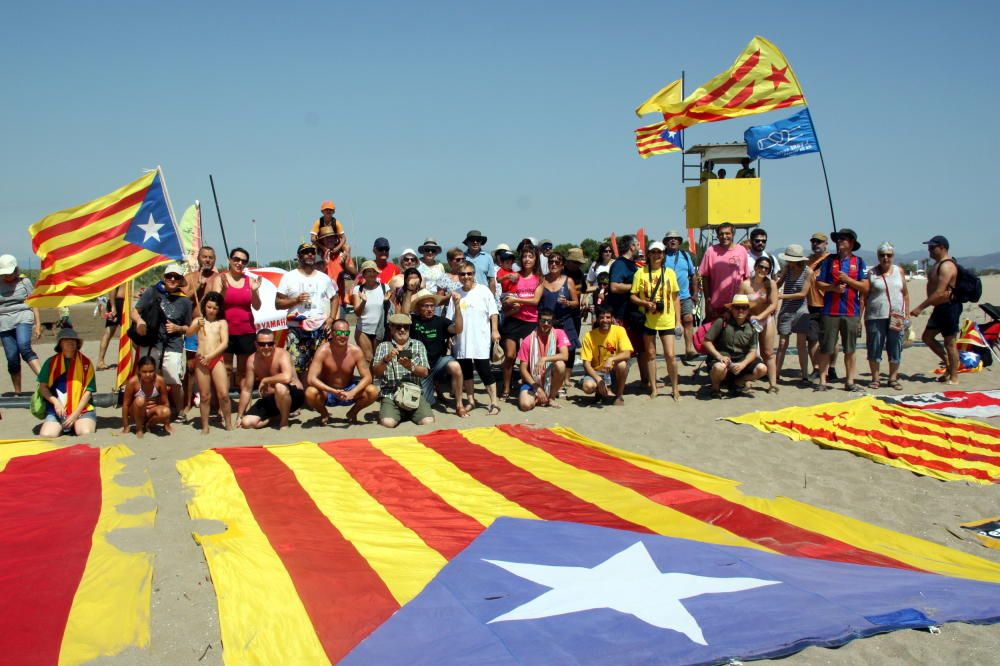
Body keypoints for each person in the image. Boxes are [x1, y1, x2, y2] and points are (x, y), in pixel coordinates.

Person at [131, 263, 194, 418]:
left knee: (173, 379)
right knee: (147, 377)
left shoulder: (185, 301)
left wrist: (178, 328)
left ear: (180, 280)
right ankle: (144, 409)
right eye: (169, 276)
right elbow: (134, 312)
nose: (172, 279)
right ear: (164, 277)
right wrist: (139, 321)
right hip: (151, 342)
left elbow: (189, 328)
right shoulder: (152, 292)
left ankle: (179, 411)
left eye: (176, 277)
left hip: (174, 344)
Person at [275, 242, 340, 381]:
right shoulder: (288, 277)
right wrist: (295, 300)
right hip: (296, 329)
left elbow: (335, 298)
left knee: (320, 365)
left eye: (312, 252)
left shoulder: (324, 278)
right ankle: (301, 395)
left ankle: (315, 396)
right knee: (297, 366)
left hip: (320, 329)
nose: (310, 254)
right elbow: (278, 303)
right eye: (306, 252)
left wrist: (331, 319)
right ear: (299, 257)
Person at [815, 228, 869, 392]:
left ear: (851, 243)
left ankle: (850, 381)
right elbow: (818, 283)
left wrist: (848, 280)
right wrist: (833, 287)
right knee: (826, 348)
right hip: (830, 311)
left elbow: (865, 286)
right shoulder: (829, 261)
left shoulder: (859, 262)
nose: (839, 242)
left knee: (850, 349)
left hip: (851, 311)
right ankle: (822, 381)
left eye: (843, 239)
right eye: (838, 239)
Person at [446, 260, 502, 415]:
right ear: (458, 276)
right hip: (462, 340)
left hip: (480, 339)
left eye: (469, 273)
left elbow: (493, 313)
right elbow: (450, 319)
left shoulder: (484, 291)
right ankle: (471, 400)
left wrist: (495, 330)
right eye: (462, 274)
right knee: (466, 371)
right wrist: (450, 336)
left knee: (485, 370)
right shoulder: (456, 294)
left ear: (474, 274)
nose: (466, 277)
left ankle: (494, 402)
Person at [630, 241, 681, 401]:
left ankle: (675, 388)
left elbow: (675, 298)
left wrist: (678, 321)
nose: (656, 255)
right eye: (653, 252)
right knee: (650, 355)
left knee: (670, 355)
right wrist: (645, 303)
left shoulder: (670, 273)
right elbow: (633, 295)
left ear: (664, 254)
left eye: (659, 252)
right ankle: (653, 388)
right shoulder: (640, 273)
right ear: (649, 255)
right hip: (648, 319)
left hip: (666, 319)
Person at [305, 318, 379, 424]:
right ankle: (324, 413)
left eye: (346, 333)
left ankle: (353, 412)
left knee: (373, 391)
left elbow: (367, 377)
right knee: (310, 392)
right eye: (339, 332)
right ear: (332, 333)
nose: (343, 336)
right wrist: (332, 391)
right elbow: (311, 378)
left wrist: (352, 392)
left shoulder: (356, 351)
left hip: (349, 389)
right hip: (328, 391)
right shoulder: (323, 350)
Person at [207, 247, 262, 386]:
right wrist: (224, 291)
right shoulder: (220, 279)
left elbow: (257, 306)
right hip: (225, 331)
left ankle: (242, 403)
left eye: (243, 261)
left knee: (243, 371)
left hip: (246, 331)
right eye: (236, 259)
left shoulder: (250, 281)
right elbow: (214, 305)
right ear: (229, 260)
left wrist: (255, 291)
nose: (239, 263)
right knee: (226, 369)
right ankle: (225, 403)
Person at [910, 235, 960, 384]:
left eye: (932, 247)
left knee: (950, 342)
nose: (929, 250)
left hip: (949, 307)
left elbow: (939, 292)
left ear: (942, 248)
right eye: (929, 247)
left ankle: (954, 376)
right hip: (939, 308)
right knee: (927, 337)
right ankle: (948, 364)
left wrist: (920, 307)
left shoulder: (947, 266)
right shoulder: (938, 265)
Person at [410, 289, 467, 416]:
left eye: (432, 306)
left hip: (438, 363)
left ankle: (459, 405)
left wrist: (457, 306)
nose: (430, 309)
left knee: (455, 366)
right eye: (425, 306)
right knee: (427, 403)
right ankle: (435, 388)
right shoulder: (412, 321)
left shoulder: (440, 321)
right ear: (418, 308)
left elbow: (458, 329)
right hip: (421, 367)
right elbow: (402, 313)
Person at [372, 313, 434, 428]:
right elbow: (376, 373)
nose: (402, 330)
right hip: (390, 393)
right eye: (398, 326)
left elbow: (425, 372)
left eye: (406, 327)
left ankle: (406, 413)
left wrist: (411, 366)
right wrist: (385, 360)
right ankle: (399, 412)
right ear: (391, 328)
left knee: (428, 421)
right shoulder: (383, 346)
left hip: (413, 392)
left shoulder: (418, 345)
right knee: (388, 423)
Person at [499, 244, 543, 398]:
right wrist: (510, 304)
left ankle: (529, 384)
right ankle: (505, 387)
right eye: (524, 256)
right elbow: (505, 301)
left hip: (531, 321)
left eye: (530, 256)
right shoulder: (515, 276)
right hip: (513, 319)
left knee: (530, 357)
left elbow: (536, 300)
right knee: (510, 355)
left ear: (536, 259)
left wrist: (517, 299)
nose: (527, 259)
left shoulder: (539, 279)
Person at [702, 295, 767, 398]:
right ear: (731, 308)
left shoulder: (752, 326)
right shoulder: (722, 321)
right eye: (737, 307)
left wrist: (743, 364)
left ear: (748, 309)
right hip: (723, 357)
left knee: (762, 369)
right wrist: (719, 356)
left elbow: (753, 351)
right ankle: (715, 388)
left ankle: (738, 382)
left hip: (741, 359)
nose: (740, 310)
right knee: (719, 367)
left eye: (744, 307)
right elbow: (706, 341)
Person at [238, 328, 304, 430]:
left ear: (275, 344)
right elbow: (247, 390)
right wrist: (239, 416)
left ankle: (284, 422)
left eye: (270, 344)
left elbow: (287, 378)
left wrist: (265, 380)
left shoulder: (282, 354)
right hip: (270, 400)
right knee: (246, 423)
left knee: (280, 386)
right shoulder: (252, 360)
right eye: (262, 344)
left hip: (293, 397)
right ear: (256, 345)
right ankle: (275, 418)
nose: (266, 347)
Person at [36, 328, 97, 437]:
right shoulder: (50, 363)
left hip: (82, 409)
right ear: (60, 344)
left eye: (74, 340)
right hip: (58, 410)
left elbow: (88, 391)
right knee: (47, 435)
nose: (71, 342)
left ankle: (78, 423)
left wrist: (75, 414)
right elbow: (43, 387)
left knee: (84, 432)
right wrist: (56, 403)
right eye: (66, 339)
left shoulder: (86, 363)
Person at [186, 292, 232, 433]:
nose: (211, 310)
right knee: (205, 396)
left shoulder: (222, 323)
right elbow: (188, 333)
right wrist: (195, 325)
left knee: (223, 394)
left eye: (214, 308)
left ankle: (228, 423)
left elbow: (224, 343)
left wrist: (211, 356)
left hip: (216, 359)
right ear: (204, 306)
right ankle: (205, 426)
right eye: (209, 307)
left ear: (219, 309)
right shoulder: (199, 321)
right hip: (201, 361)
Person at [865, 242, 909, 390]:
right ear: (878, 256)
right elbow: (864, 295)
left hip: (896, 315)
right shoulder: (872, 273)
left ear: (893, 256)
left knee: (895, 346)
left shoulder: (899, 271)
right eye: (882, 255)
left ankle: (893, 378)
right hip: (875, 316)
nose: (885, 258)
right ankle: (875, 378)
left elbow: (905, 294)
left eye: (888, 255)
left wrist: (907, 315)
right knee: (875, 346)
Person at [181, 246, 219, 414]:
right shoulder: (189, 277)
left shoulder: (218, 278)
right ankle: (187, 402)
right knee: (190, 367)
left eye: (211, 257)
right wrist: (197, 287)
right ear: (198, 258)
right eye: (204, 257)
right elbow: (182, 302)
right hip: (194, 327)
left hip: (212, 328)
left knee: (214, 365)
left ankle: (214, 402)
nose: (207, 260)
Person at [608, 234, 648, 389]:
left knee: (642, 349)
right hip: (621, 315)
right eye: (638, 244)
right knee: (622, 352)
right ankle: (617, 385)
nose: (640, 247)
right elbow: (614, 287)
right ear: (632, 247)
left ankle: (645, 381)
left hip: (634, 315)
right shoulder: (620, 264)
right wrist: (636, 288)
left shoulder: (632, 264)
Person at [738, 255, 780, 393]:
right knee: (750, 352)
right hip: (749, 322)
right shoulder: (745, 284)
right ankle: (747, 382)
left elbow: (773, 305)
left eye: (766, 268)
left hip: (766, 320)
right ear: (755, 267)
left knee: (768, 352)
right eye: (761, 266)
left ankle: (772, 384)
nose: (763, 270)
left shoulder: (771, 284)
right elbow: (739, 304)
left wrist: (760, 316)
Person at [0, 254, 42, 392]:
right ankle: (18, 392)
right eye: (4, 274)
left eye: (9, 273)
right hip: (4, 321)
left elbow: (34, 302)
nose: (6, 277)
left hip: (23, 317)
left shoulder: (25, 282)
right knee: (12, 357)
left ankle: (45, 381)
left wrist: (38, 324)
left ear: (15, 270)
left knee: (24, 347)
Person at [775, 244, 814, 385]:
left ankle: (804, 375)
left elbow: (803, 293)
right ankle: (776, 374)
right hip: (786, 310)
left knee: (801, 344)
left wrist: (782, 297)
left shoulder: (808, 272)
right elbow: (779, 284)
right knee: (782, 343)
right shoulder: (788, 269)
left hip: (800, 310)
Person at [516, 309, 570, 411]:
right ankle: (539, 396)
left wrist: (544, 359)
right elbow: (523, 369)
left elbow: (565, 355)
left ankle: (551, 397)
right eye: (543, 321)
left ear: (552, 322)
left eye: (549, 321)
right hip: (532, 381)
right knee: (525, 406)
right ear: (538, 321)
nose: (546, 324)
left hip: (550, 377)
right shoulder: (528, 340)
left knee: (561, 365)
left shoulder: (559, 333)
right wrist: (537, 387)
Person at [579, 305, 632, 405]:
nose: (605, 320)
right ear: (597, 319)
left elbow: (627, 353)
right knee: (588, 386)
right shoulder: (589, 336)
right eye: (602, 317)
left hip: (613, 371)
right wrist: (598, 379)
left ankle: (619, 395)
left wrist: (611, 359)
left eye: (608, 317)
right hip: (596, 371)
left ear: (612, 319)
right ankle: (600, 391)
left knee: (622, 364)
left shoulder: (619, 330)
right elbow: (586, 364)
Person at [539, 251, 581, 378]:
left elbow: (576, 303)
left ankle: (565, 379)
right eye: (551, 261)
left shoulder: (568, 281)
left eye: (557, 262)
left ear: (562, 265)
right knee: (548, 350)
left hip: (565, 321)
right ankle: (548, 378)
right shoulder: (542, 280)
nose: (554, 264)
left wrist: (568, 302)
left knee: (569, 350)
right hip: (547, 323)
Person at [698, 223, 750, 320]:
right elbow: (705, 278)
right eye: (721, 234)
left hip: (737, 304)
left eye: (727, 233)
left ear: (733, 234)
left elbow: (746, 278)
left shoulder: (742, 251)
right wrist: (708, 302)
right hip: (716, 305)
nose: (724, 236)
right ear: (717, 236)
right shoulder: (711, 251)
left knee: (734, 334)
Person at [662, 230, 699, 360]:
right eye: (670, 239)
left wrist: (695, 293)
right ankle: (669, 352)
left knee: (688, 319)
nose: (673, 240)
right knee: (668, 325)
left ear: (679, 241)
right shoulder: (661, 256)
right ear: (666, 242)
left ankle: (689, 349)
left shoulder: (685, 255)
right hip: (667, 298)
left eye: (675, 238)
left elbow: (693, 275)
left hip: (684, 295)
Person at [806, 233, 836, 380]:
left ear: (826, 244)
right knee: (812, 339)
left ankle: (832, 368)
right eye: (813, 242)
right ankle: (816, 368)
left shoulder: (832, 260)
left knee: (831, 340)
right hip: (811, 305)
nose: (816, 244)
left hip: (828, 304)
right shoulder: (808, 261)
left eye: (819, 242)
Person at [120, 355, 171, 437]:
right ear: (139, 371)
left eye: (151, 371)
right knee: (140, 400)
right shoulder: (133, 382)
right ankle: (139, 429)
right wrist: (126, 426)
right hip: (136, 412)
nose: (148, 374)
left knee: (166, 411)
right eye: (144, 372)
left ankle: (148, 424)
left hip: (152, 412)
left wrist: (167, 424)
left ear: (155, 370)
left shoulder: (160, 381)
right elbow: (125, 405)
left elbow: (165, 402)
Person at [351, 260, 390, 362]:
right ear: (363, 274)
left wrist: (386, 301)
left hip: (380, 329)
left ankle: (375, 378)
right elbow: (357, 313)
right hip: (363, 330)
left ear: (377, 273)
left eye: (373, 271)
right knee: (368, 358)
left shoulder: (385, 288)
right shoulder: (358, 289)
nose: (371, 274)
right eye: (368, 271)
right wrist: (363, 301)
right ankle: (369, 378)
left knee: (378, 359)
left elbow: (390, 310)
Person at [316, 223, 355, 298]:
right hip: (322, 300)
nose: (330, 240)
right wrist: (324, 264)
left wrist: (345, 266)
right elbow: (313, 277)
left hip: (341, 302)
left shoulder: (343, 255)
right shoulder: (317, 256)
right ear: (322, 241)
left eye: (332, 237)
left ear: (336, 239)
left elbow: (357, 277)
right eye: (326, 238)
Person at [96, 283, 125, 370]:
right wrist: (113, 306)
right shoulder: (119, 271)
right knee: (129, 331)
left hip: (121, 303)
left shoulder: (126, 271)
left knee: (109, 333)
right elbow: (113, 287)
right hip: (117, 303)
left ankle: (100, 361)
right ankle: (100, 361)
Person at [462, 229, 497, 294]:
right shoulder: (461, 257)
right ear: (467, 242)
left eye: (478, 240)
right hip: (465, 294)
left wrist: (491, 298)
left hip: (483, 294)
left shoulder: (488, 257)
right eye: (472, 240)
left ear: (481, 242)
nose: (475, 242)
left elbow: (492, 280)